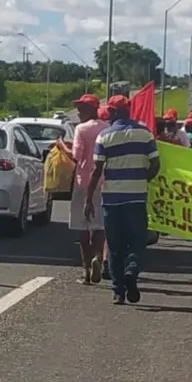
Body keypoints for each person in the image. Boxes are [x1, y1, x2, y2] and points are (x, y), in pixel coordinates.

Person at [88, 95, 161, 305]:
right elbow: (155, 165)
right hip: (136, 198)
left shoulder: (104, 136)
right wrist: (141, 179)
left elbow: (96, 170)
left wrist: (88, 198)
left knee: (114, 246)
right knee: (138, 241)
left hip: (112, 199)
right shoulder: (145, 134)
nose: (108, 114)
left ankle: (118, 291)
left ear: (115, 112)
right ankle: (132, 270)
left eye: (110, 111)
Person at [70, 94, 109, 285]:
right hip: (104, 182)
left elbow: (76, 156)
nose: (78, 112)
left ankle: (85, 271)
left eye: (81, 108)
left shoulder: (81, 129)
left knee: (82, 227)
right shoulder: (108, 129)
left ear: (90, 110)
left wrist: (62, 146)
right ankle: (97, 257)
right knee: (99, 225)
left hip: (83, 182)